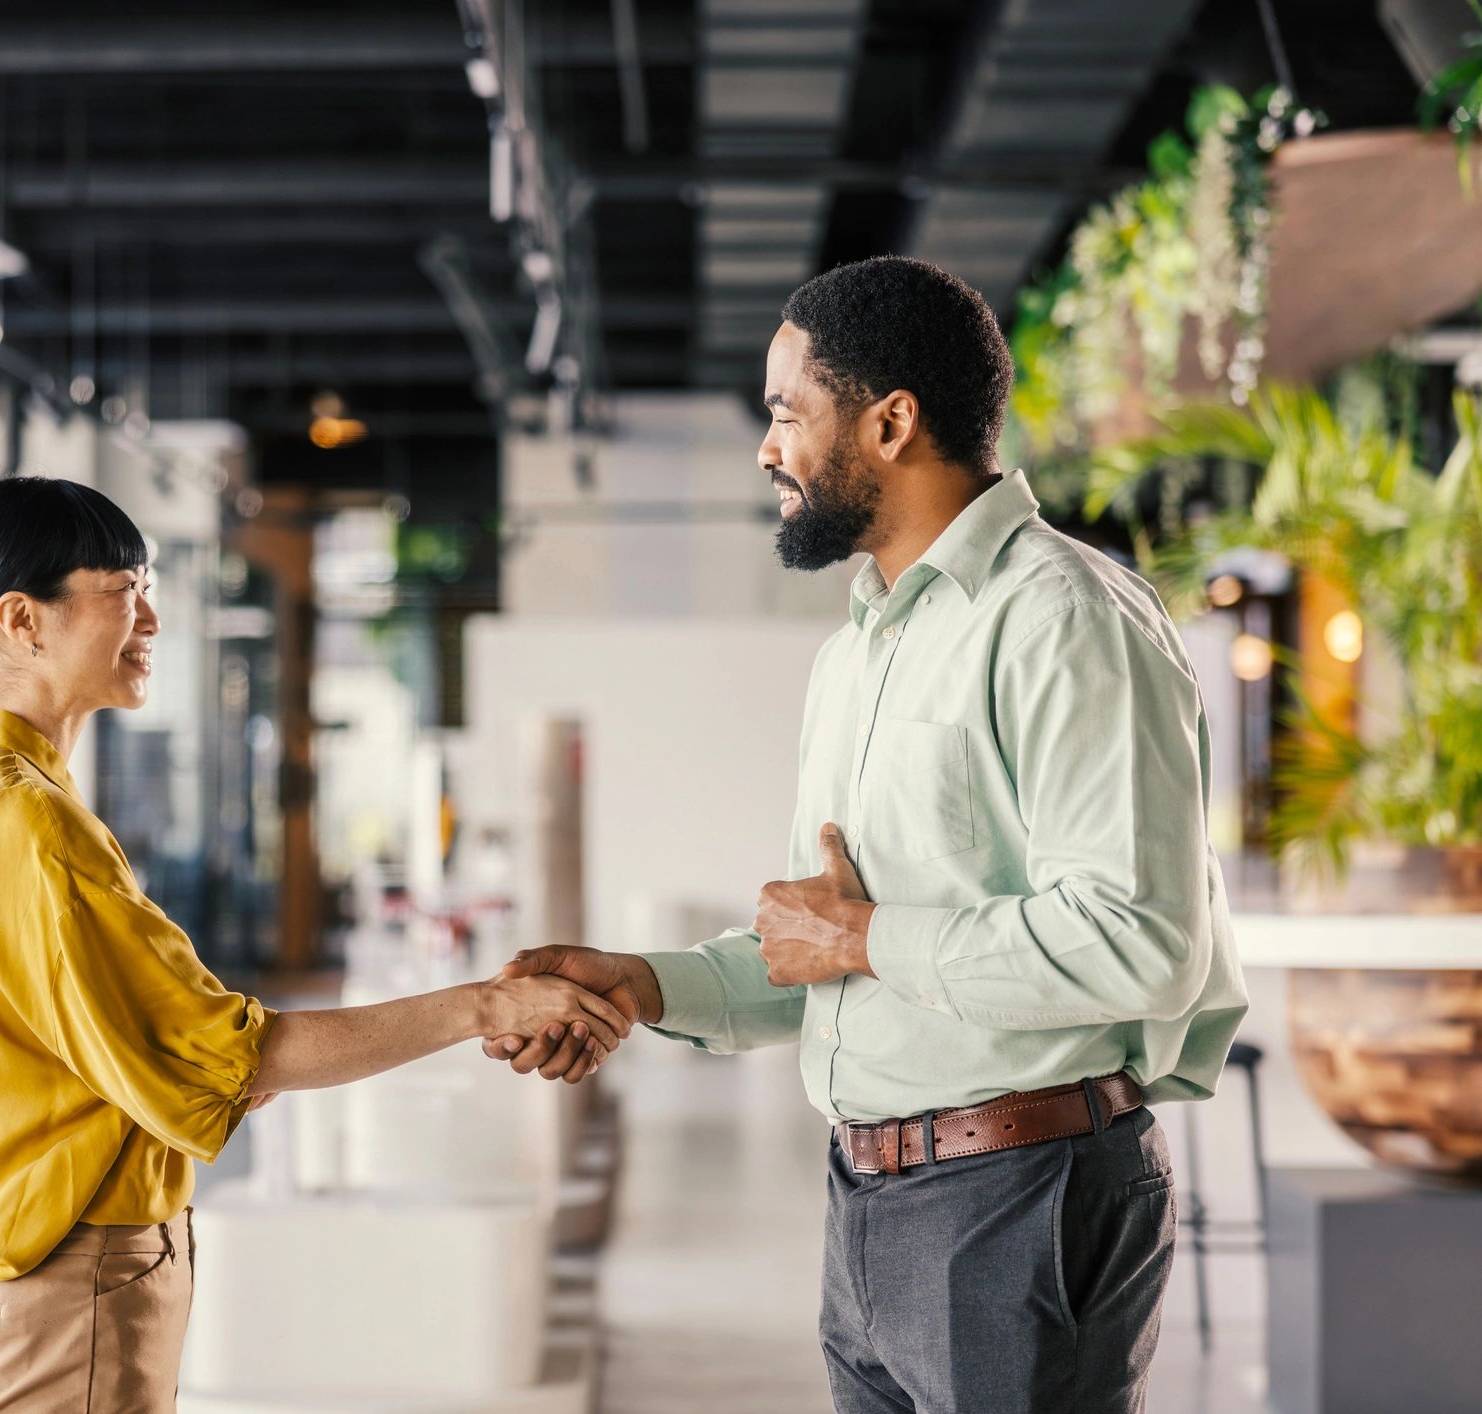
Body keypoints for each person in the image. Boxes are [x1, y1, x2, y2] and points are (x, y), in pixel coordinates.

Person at [486, 256, 1249, 1414]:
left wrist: (862, 938)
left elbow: (1140, 943)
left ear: (891, 422)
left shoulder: (1061, 618)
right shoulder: (857, 655)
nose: (765, 447)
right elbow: (821, 952)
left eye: (786, 410)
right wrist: (641, 985)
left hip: (1022, 1198)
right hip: (869, 1199)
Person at [0, 476, 628, 1414]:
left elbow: (38, 1057)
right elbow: (240, 1053)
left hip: (46, 1282)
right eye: (121, 590)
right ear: (24, 619)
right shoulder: (32, 825)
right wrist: (489, 1004)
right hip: (68, 1292)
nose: (150, 618)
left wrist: (193, 1068)